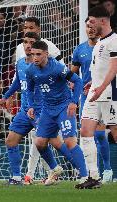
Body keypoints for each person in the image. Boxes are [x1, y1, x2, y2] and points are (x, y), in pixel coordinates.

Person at [26, 40, 93, 189]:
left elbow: (78, 81)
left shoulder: (57, 68)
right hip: (47, 109)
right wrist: (31, 106)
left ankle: (85, 176)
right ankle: (55, 168)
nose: (35, 57)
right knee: (39, 143)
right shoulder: (30, 70)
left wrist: (74, 102)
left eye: (38, 54)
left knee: (70, 142)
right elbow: (29, 90)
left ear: (46, 54)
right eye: (32, 54)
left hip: (64, 107)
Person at [13, 16, 64, 185]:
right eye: (25, 27)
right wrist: (9, 95)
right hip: (29, 103)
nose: (28, 29)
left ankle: (80, 170)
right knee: (36, 140)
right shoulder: (20, 49)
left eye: (32, 27)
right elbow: (20, 76)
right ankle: (40, 173)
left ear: (39, 30)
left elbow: (61, 72)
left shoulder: (50, 47)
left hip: (48, 103)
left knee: (51, 141)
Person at [79, 5, 117, 188]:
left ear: (103, 21)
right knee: (85, 130)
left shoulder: (115, 40)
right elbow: (100, 69)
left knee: (116, 133)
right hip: (95, 91)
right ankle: (93, 177)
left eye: (93, 22)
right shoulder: (99, 43)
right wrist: (93, 83)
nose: (90, 26)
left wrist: (101, 87)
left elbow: (114, 68)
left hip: (111, 93)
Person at [71, 18, 113, 183]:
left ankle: (107, 169)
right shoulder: (79, 49)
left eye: (92, 26)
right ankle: (90, 172)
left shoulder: (107, 46)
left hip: (104, 95)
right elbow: (73, 74)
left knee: (100, 135)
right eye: (87, 27)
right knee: (87, 134)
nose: (90, 29)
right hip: (86, 98)